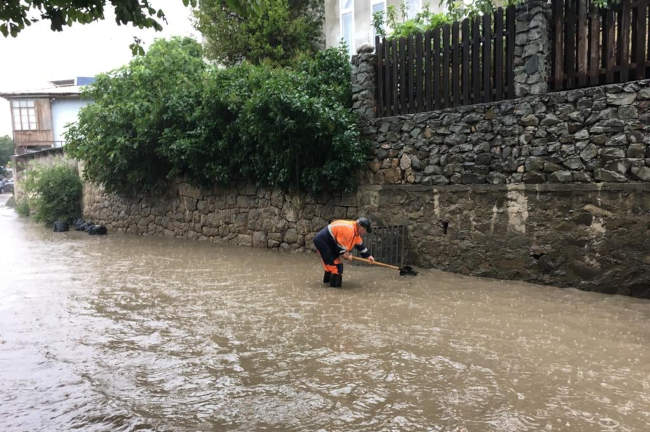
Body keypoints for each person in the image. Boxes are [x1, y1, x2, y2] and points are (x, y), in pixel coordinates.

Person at [313, 217, 375, 287]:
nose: (365, 233)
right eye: (365, 230)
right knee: (336, 267)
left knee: (332, 266)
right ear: (361, 227)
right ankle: (334, 291)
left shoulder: (355, 231)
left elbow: (360, 245)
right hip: (324, 241)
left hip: (329, 242)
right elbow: (342, 250)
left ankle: (327, 286)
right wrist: (347, 256)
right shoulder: (349, 230)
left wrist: (368, 256)